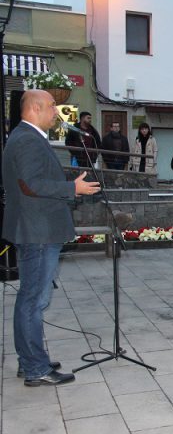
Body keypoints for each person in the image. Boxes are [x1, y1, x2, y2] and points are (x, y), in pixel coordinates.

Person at [2, 90, 101, 386]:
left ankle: (30, 360)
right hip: (38, 231)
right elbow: (31, 185)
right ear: (35, 107)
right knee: (33, 300)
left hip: (37, 228)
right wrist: (73, 189)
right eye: (52, 106)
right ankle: (35, 368)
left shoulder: (25, 137)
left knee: (30, 299)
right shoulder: (27, 139)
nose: (56, 112)